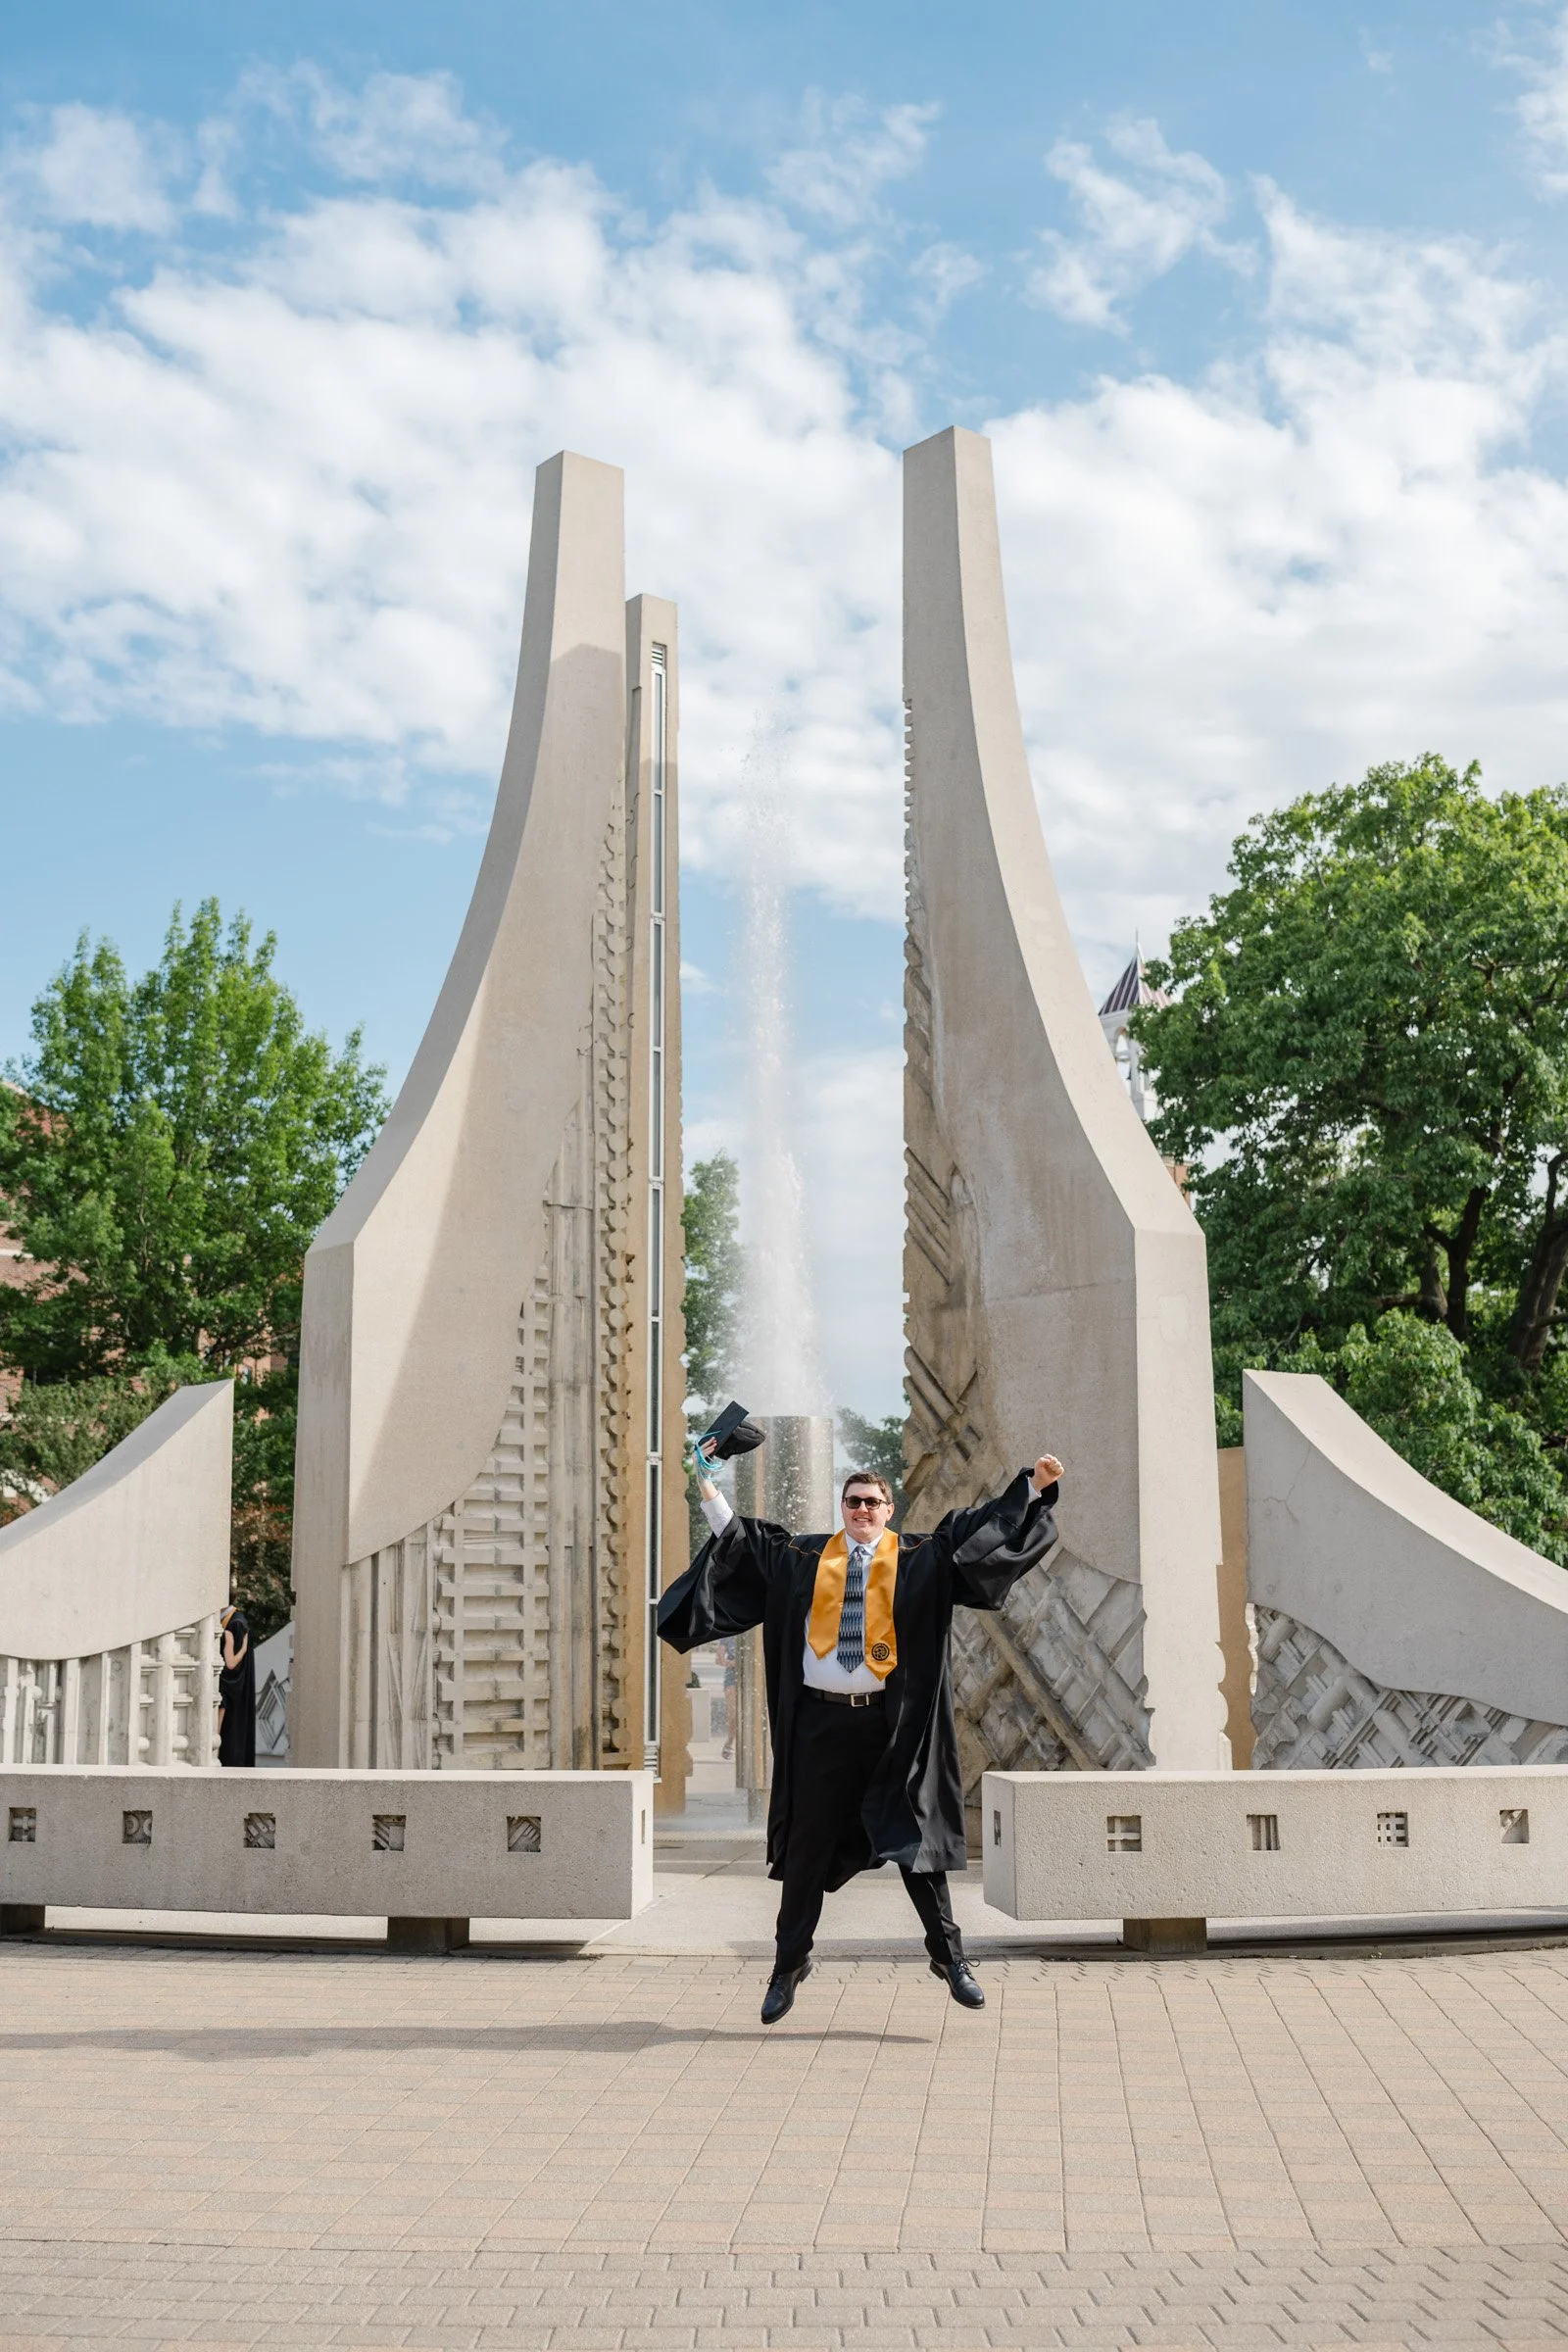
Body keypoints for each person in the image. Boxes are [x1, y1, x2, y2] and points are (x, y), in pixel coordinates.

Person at [658, 1446, 1063, 2024]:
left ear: (889, 1509)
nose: (862, 1510)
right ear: (842, 1507)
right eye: (853, 1502)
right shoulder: (804, 1556)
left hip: (891, 1726)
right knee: (807, 1848)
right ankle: (788, 1966)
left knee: (916, 1846)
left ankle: (950, 1959)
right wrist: (707, 1486)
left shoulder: (921, 1556)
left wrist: (1032, 1485)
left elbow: (985, 1532)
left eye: (873, 1502)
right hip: (820, 1726)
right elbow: (740, 1543)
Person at [217, 1604, 256, 1767]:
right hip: (222, 1690)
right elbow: (231, 1663)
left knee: (216, 1736)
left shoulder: (233, 1625)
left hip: (221, 1690)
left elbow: (231, 1664)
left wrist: (244, 1649)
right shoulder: (232, 1625)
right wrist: (244, 1649)